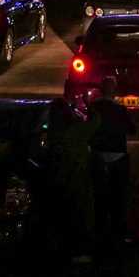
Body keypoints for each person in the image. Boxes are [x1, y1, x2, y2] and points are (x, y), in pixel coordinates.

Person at [47, 99, 100, 260]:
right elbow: (96, 121)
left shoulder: (53, 134)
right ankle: (80, 250)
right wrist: (88, 104)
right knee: (82, 214)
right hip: (78, 177)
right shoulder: (76, 131)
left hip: (59, 178)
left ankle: (63, 248)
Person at [88, 77, 136, 253]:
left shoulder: (94, 108)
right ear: (114, 91)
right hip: (117, 156)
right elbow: (132, 129)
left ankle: (100, 231)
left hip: (98, 156)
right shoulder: (120, 109)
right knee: (119, 196)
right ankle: (119, 232)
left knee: (99, 197)